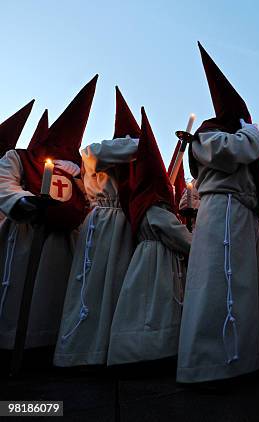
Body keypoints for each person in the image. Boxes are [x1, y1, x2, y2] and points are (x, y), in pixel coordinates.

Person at [177, 42, 259, 382]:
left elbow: (249, 172)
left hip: (241, 214)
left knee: (241, 287)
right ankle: (208, 364)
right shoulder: (206, 137)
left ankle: (239, 359)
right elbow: (240, 149)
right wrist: (252, 133)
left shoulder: (232, 137)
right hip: (221, 211)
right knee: (216, 285)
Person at [1, 77, 94, 351]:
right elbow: (4, 182)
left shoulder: (80, 175)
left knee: (51, 294)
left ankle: (43, 346)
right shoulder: (18, 158)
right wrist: (23, 201)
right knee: (17, 291)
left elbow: (90, 202)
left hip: (62, 242)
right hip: (23, 233)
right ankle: (10, 345)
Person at [54, 85, 139, 367]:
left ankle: (104, 349)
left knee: (113, 284)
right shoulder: (102, 152)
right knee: (92, 283)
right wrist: (142, 145)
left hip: (122, 224)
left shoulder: (127, 164)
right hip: (102, 222)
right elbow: (91, 153)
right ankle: (80, 351)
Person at [107, 107, 192, 365]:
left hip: (146, 256)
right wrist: (195, 245)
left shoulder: (145, 203)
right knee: (152, 304)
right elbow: (173, 232)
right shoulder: (155, 206)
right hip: (157, 259)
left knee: (142, 302)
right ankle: (147, 352)